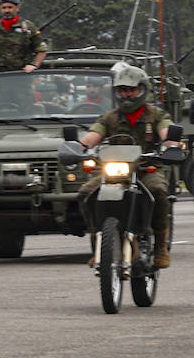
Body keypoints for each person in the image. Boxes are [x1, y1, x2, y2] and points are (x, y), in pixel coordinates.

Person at [75, 64, 182, 268]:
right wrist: (78, 146)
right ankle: (97, 243)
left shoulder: (156, 115)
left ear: (142, 89)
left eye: (132, 89)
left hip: (145, 167)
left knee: (158, 191)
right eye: (123, 90)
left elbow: (166, 132)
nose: (128, 94)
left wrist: (171, 145)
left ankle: (160, 245)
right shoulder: (111, 117)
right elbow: (93, 135)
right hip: (115, 169)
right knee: (85, 193)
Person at [0, 0, 49, 73]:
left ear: (17, 8)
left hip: (23, 74)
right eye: (4, 8)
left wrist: (34, 65)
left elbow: (41, 49)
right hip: (0, 75)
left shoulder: (28, 27)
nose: (7, 10)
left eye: (10, 7)